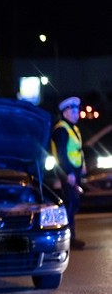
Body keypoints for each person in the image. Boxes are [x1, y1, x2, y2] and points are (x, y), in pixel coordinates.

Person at [50, 96, 86, 250]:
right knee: (70, 204)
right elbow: (62, 154)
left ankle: (70, 236)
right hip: (66, 173)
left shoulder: (73, 128)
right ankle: (70, 238)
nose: (77, 113)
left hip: (74, 172)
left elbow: (78, 150)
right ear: (65, 112)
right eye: (73, 110)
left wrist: (82, 166)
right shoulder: (61, 129)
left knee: (73, 203)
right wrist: (69, 173)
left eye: (78, 110)